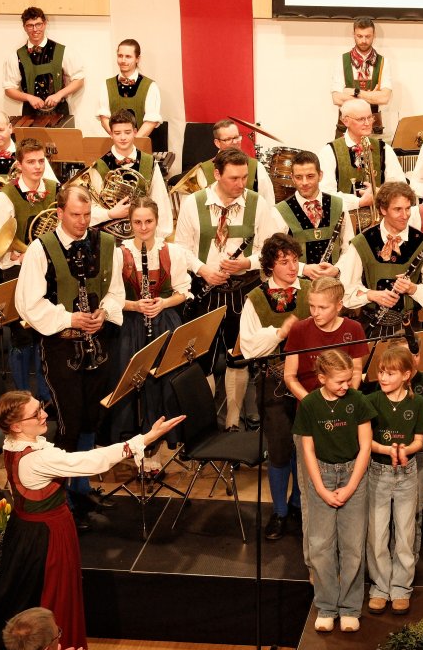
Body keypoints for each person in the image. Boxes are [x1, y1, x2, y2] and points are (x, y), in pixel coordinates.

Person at [0, 393, 180, 650]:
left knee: (19, 591)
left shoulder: (14, 444)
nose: (44, 415)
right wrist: (144, 439)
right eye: (36, 414)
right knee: (53, 592)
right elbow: (89, 462)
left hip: (26, 530)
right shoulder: (37, 458)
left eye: (41, 408)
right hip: (48, 535)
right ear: (16, 426)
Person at [17, 185, 125, 513]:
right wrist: (69, 318)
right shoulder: (41, 249)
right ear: (59, 212)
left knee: (92, 418)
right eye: (75, 215)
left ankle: (82, 488)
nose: (82, 222)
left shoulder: (107, 245)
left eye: (87, 215)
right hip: (60, 348)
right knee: (69, 423)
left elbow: (116, 292)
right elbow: (28, 304)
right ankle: (60, 500)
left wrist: (104, 312)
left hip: (98, 345)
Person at [172, 146, 285, 430]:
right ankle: (206, 425)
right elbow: (181, 249)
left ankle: (233, 423)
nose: (241, 184)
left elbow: (270, 249)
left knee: (239, 356)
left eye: (244, 177)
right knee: (202, 358)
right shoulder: (193, 202)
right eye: (234, 178)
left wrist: (246, 262)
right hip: (204, 290)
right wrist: (203, 270)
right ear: (217, 174)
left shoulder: (258, 203)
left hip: (243, 290)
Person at [279, 275, 370, 540]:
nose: (315, 313)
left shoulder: (353, 329)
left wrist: (342, 400)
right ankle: (315, 555)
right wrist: (313, 403)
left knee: (348, 486)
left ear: (339, 305)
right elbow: (290, 376)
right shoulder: (300, 330)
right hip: (310, 418)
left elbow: (356, 372)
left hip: (345, 418)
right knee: (311, 490)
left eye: (322, 307)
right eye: (312, 306)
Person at [237, 235, 313, 541]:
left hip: (309, 379)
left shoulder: (309, 290)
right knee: (280, 448)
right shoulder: (255, 299)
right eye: (284, 262)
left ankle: (299, 504)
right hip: (273, 382)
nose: (293, 267)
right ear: (270, 266)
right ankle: (280, 511)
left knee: (306, 446)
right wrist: (280, 333)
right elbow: (249, 346)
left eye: (295, 260)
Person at [294, 348, 376, 632]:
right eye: (340, 381)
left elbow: (365, 446)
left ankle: (350, 607)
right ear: (321, 378)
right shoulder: (310, 405)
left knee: (352, 545)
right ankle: (327, 606)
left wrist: (351, 485)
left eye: (349, 379)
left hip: (353, 474)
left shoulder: (358, 400)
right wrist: (321, 488)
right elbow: (307, 449)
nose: (346, 385)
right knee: (321, 546)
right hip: (322, 474)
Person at [0, 137, 59, 403]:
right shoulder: (5, 198)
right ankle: (23, 394)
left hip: (50, 272)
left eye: (41, 161)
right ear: (19, 164)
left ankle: (47, 394)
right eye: (31, 162)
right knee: (22, 336)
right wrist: (14, 258)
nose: (37, 167)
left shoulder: (54, 189)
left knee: (46, 332)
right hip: (19, 272)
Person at [110, 197, 191, 449]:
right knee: (131, 379)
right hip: (131, 324)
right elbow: (111, 298)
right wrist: (135, 305)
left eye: (148, 221)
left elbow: (182, 291)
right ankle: (133, 438)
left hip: (164, 322)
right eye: (137, 222)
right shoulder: (119, 254)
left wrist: (163, 303)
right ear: (130, 222)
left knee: (166, 378)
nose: (143, 227)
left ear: (157, 221)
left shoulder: (173, 252)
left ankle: (168, 434)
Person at [364, 344, 423, 615]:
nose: (383, 378)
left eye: (390, 373)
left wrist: (404, 450)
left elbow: (419, 440)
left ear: (406, 375)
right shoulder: (372, 401)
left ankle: (401, 588)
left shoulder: (417, 403)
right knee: (377, 533)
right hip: (378, 472)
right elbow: (366, 441)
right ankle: (380, 587)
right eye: (381, 372)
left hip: (406, 474)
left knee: (405, 533)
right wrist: (387, 450)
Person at [336, 180, 423, 339]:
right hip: (369, 326)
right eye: (398, 209)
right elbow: (346, 291)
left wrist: (412, 289)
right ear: (383, 209)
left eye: (408, 208)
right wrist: (371, 295)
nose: (405, 215)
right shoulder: (362, 242)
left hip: (408, 328)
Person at [276, 148, 354, 280]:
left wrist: (337, 269)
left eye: (310, 176)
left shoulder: (339, 205)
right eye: (298, 177)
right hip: (297, 284)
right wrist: (303, 268)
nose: (304, 182)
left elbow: (349, 248)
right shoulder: (279, 211)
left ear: (320, 175)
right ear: (292, 178)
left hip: (333, 283)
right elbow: (274, 255)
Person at [0, 110, 60, 215]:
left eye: (0, 130)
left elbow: (52, 187)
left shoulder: (32, 153)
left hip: (34, 216)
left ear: (10, 128)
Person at [95, 109, 172, 239]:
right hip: (110, 234)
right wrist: (110, 213)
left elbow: (160, 199)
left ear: (135, 132)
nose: (123, 137)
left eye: (127, 132)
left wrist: (160, 238)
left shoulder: (149, 162)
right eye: (117, 133)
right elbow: (92, 207)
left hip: (144, 232)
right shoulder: (100, 165)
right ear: (111, 134)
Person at [4, 6, 84, 120]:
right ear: (24, 27)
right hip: (30, 116)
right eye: (30, 25)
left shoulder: (62, 51)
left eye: (38, 24)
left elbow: (79, 80)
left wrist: (59, 95)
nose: (35, 29)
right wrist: (29, 98)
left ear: (45, 24)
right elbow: (9, 89)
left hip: (60, 113)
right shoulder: (16, 56)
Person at [324, 97, 407, 206]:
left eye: (370, 117)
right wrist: (358, 202)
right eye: (361, 119)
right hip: (346, 215)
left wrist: (381, 193)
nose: (367, 123)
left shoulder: (384, 149)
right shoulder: (329, 151)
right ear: (346, 121)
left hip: (379, 213)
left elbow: (401, 188)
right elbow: (326, 194)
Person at [329, 15, 392, 133]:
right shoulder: (341, 60)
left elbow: (384, 98)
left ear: (374, 35)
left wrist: (355, 92)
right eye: (359, 36)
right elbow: (336, 98)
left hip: (373, 128)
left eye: (368, 36)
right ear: (353, 35)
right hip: (346, 128)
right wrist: (371, 96)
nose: (363, 41)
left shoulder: (383, 62)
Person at [95, 37, 164, 143]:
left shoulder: (150, 86)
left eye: (128, 56)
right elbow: (104, 117)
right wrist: (118, 139)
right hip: (116, 146)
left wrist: (132, 144)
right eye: (120, 56)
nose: (123, 60)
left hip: (141, 146)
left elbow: (151, 121)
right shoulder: (106, 85)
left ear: (137, 59)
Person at [194, 120, 277, 196]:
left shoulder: (257, 167)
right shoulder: (204, 170)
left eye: (236, 137)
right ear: (217, 143)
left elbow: (268, 202)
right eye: (228, 139)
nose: (234, 142)